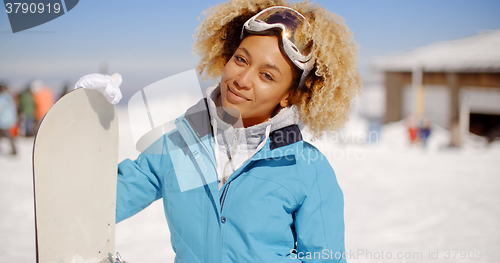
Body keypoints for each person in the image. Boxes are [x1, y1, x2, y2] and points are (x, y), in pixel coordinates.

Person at [79, 0, 360, 262]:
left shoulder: (308, 170)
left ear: (288, 97)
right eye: (241, 60)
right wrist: (81, 120)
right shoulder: (177, 145)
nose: (242, 80)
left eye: (267, 75)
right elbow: (99, 203)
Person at [0, 83, 18, 155]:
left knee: (7, 135)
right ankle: (14, 150)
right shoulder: (9, 97)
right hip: (8, 119)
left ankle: (14, 150)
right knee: (6, 135)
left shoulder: (2, 98)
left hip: (3, 120)